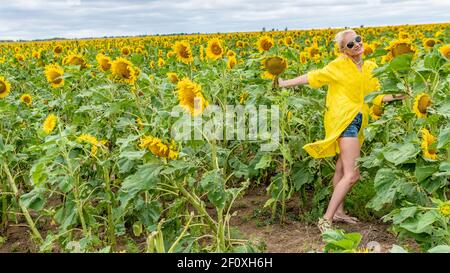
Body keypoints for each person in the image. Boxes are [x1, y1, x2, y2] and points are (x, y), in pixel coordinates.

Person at [278, 29, 407, 233]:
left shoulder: (371, 67)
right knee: (352, 174)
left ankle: (338, 212)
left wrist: (399, 96)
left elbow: (376, 96)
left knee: (341, 169)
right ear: (343, 50)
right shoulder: (338, 66)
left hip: (358, 120)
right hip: (344, 120)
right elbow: (313, 77)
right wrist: (284, 83)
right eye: (350, 44)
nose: (356, 44)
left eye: (358, 39)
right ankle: (326, 220)